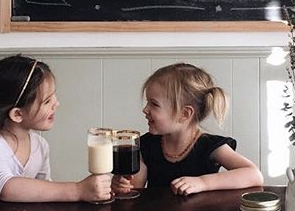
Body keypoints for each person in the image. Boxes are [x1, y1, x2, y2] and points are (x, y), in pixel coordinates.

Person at [0, 54, 111, 203]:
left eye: (54, 96)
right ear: (17, 114)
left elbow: (45, 192)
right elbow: (6, 188)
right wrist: (78, 190)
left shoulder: (40, 145)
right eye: (47, 101)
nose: (57, 104)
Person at [112, 62, 263, 197]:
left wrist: (203, 182)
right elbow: (135, 190)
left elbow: (254, 175)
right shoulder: (146, 145)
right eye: (147, 102)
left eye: (154, 104)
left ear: (185, 114)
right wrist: (122, 186)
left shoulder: (210, 146)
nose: (145, 109)